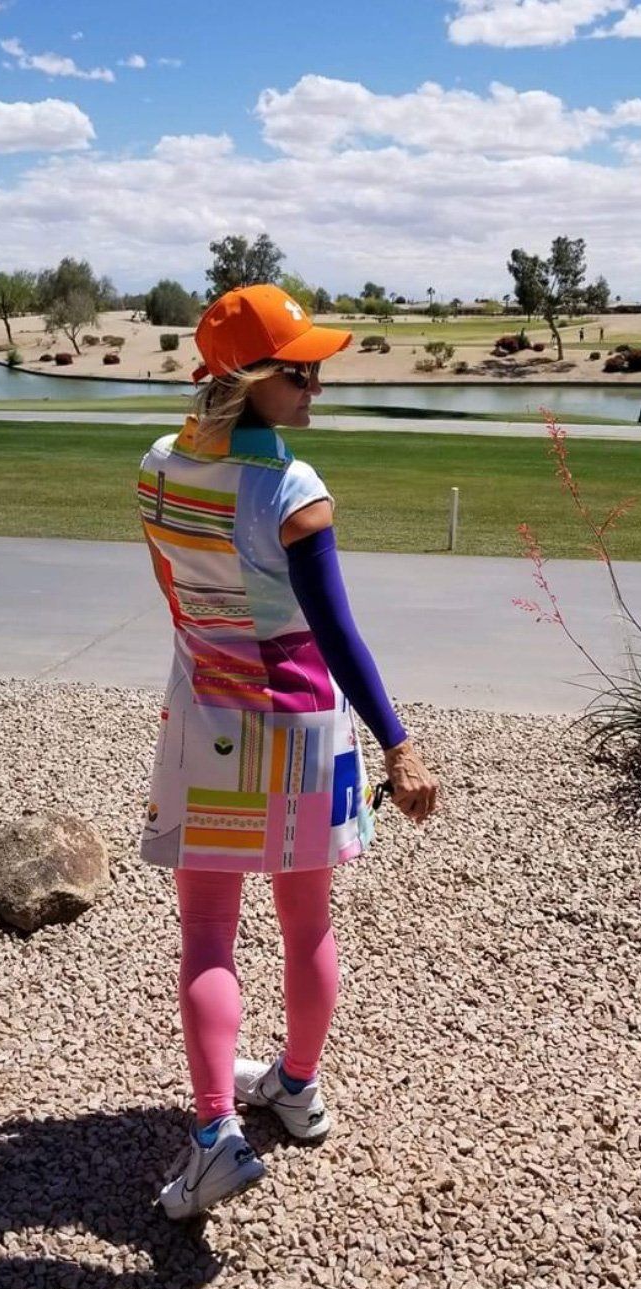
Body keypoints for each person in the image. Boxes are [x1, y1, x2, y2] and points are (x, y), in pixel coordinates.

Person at [137, 284, 439, 1220]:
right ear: (249, 378)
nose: (316, 387)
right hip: (306, 730)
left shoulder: (157, 468)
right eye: (300, 373)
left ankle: (216, 1132)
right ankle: (295, 1089)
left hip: (207, 720)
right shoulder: (294, 490)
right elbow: (336, 634)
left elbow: (176, 596)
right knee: (306, 926)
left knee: (207, 932)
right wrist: (399, 744)